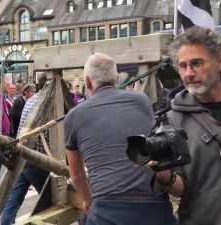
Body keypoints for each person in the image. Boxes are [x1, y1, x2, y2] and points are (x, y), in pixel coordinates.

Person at [64, 53, 176, 225]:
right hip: (154, 206)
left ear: (86, 82)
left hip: (107, 210)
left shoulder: (73, 116)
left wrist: (89, 201)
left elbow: (77, 175)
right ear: (117, 79)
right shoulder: (141, 100)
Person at [156, 26, 221, 225]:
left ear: (220, 61)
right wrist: (163, 174)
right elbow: (180, 187)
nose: (188, 73)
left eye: (196, 63)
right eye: (182, 66)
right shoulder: (171, 119)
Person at [0, 74, 48, 225]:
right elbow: (49, 136)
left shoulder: (30, 101)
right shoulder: (47, 103)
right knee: (50, 202)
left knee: (13, 200)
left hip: (23, 156)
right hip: (38, 159)